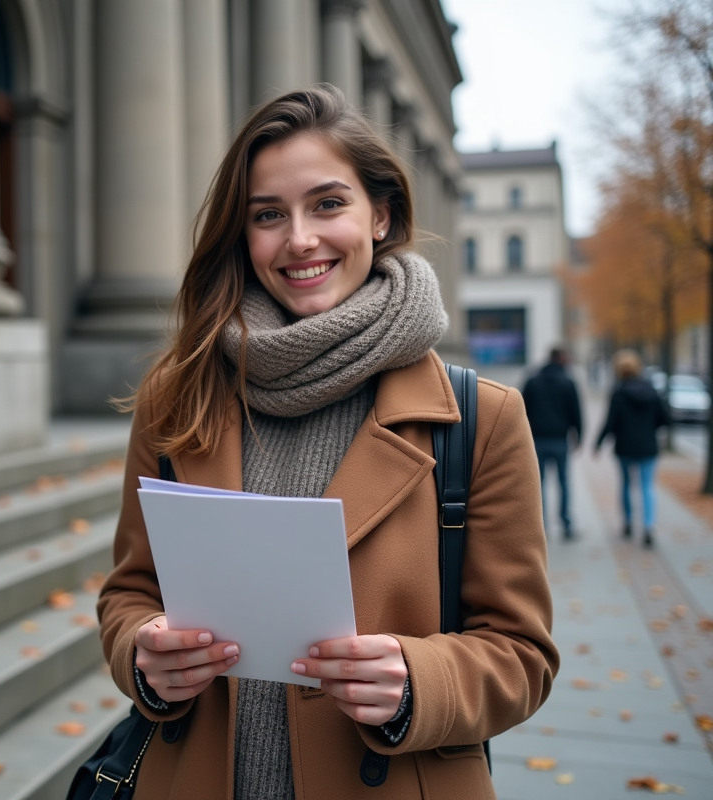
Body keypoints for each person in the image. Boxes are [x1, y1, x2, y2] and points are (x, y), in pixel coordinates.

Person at [96, 87, 558, 799]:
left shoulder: (481, 418)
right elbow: (130, 593)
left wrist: (416, 682)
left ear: (382, 215)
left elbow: (522, 655)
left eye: (328, 204)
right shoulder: (176, 400)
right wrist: (146, 657)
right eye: (268, 215)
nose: (300, 239)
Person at [594, 350, 669, 548]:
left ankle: (627, 522)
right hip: (648, 445)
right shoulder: (652, 390)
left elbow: (610, 422)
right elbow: (664, 419)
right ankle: (648, 526)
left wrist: (598, 443)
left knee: (626, 484)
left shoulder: (618, 392)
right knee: (647, 486)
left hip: (625, 446)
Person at [522, 346, 583, 539]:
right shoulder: (568, 382)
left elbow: (521, 411)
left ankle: (541, 526)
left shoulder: (532, 381)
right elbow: (576, 413)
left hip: (536, 440)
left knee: (538, 485)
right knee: (564, 482)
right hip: (559, 440)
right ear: (562, 358)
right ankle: (566, 524)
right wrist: (579, 436)